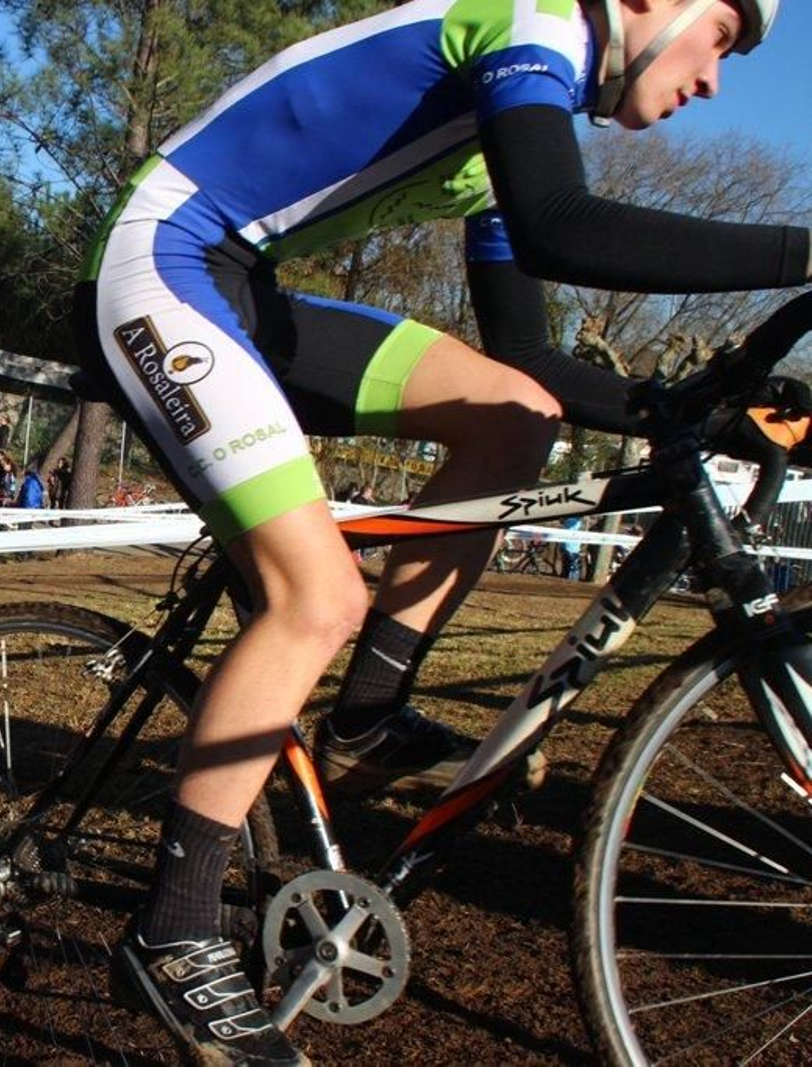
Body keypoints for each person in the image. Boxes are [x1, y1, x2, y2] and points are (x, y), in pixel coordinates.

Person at [78, 3, 804, 1062]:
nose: (714, 80)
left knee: (520, 415)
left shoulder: (513, 122)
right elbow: (567, 223)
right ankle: (173, 930)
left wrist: (707, 414)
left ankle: (368, 709)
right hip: (162, 261)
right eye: (723, 37)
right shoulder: (528, 25)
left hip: (242, 285)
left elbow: (535, 360)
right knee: (316, 594)